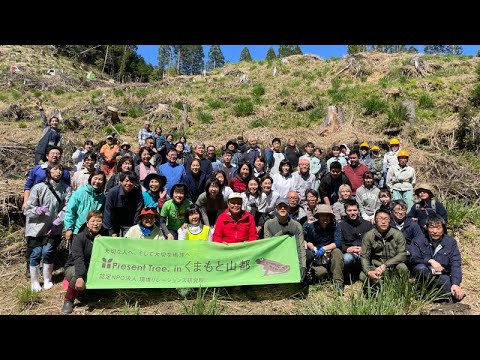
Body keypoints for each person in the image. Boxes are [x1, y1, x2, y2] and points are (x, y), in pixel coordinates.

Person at [24, 163, 71, 291]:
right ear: (49, 172)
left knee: (48, 251)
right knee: (36, 253)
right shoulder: (38, 188)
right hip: (36, 227)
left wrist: (59, 219)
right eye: (55, 169)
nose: (58, 172)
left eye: (60, 169)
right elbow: (27, 209)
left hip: (53, 227)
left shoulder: (66, 188)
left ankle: (47, 279)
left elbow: (67, 207)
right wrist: (37, 210)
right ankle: (34, 282)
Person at [61, 210, 108, 314]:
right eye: (92, 221)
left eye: (99, 221)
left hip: (94, 265)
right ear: (87, 223)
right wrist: (80, 276)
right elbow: (78, 258)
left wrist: (102, 242)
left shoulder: (105, 235)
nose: (95, 224)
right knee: (76, 275)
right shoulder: (79, 237)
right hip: (74, 265)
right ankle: (69, 300)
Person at [411, 214, 465, 302]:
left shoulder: (450, 242)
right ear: (426, 228)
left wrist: (455, 284)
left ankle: (438, 297)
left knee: (454, 294)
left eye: (438, 228)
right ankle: (421, 294)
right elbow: (413, 259)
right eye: (431, 227)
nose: (435, 231)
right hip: (423, 274)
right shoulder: (418, 240)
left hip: (441, 275)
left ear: (443, 228)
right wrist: (430, 261)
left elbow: (456, 264)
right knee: (421, 268)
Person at [360, 208, 408, 287]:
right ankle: (377, 290)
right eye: (380, 219)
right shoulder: (368, 236)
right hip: (376, 267)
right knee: (363, 275)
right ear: (375, 221)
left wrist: (385, 265)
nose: (383, 222)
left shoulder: (398, 234)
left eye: (386, 219)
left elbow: (402, 254)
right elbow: (364, 256)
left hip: (392, 266)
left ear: (390, 221)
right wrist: (368, 272)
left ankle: (401, 288)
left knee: (402, 267)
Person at [303, 204, 344, 293]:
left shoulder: (335, 225)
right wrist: (313, 248)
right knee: (320, 273)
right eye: (322, 216)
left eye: (327, 216)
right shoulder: (311, 226)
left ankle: (338, 283)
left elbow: (338, 242)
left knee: (337, 252)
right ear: (318, 217)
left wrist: (324, 248)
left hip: (330, 250)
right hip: (317, 255)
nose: (325, 218)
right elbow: (308, 241)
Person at [264, 198, 306, 283]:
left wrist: (303, 266)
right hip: (275, 256)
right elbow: (268, 245)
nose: (282, 208)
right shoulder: (268, 224)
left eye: (285, 207)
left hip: (291, 255)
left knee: (308, 255)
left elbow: (300, 246)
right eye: (280, 206)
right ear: (276, 209)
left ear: (289, 209)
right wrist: (281, 233)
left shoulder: (296, 225)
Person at [64, 170, 106, 251]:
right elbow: (70, 211)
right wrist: (69, 228)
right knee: (76, 256)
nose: (97, 181)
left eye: (100, 179)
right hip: (78, 230)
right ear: (90, 179)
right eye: (95, 178)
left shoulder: (102, 197)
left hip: (94, 232)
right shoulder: (80, 192)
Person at [339, 200, 373, 283]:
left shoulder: (368, 224)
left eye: (355, 210)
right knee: (346, 258)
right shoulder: (341, 225)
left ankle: (363, 273)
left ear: (358, 211)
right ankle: (349, 277)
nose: (352, 213)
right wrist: (348, 249)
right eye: (349, 210)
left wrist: (364, 249)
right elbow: (339, 243)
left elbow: (373, 241)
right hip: (350, 254)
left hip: (365, 253)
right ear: (345, 212)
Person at [104, 171, 143, 237]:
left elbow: (138, 212)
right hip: (114, 222)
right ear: (121, 181)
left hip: (129, 222)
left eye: (131, 181)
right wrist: (111, 231)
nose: (128, 183)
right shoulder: (112, 192)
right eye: (126, 181)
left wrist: (135, 229)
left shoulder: (137, 193)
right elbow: (108, 212)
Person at [34, 99, 62, 165]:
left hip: (50, 154)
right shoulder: (47, 128)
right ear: (50, 122)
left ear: (58, 122)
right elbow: (43, 118)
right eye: (53, 121)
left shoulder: (59, 133)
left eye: (56, 121)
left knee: (48, 169)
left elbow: (58, 145)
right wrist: (40, 107)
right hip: (40, 151)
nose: (54, 122)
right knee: (38, 167)